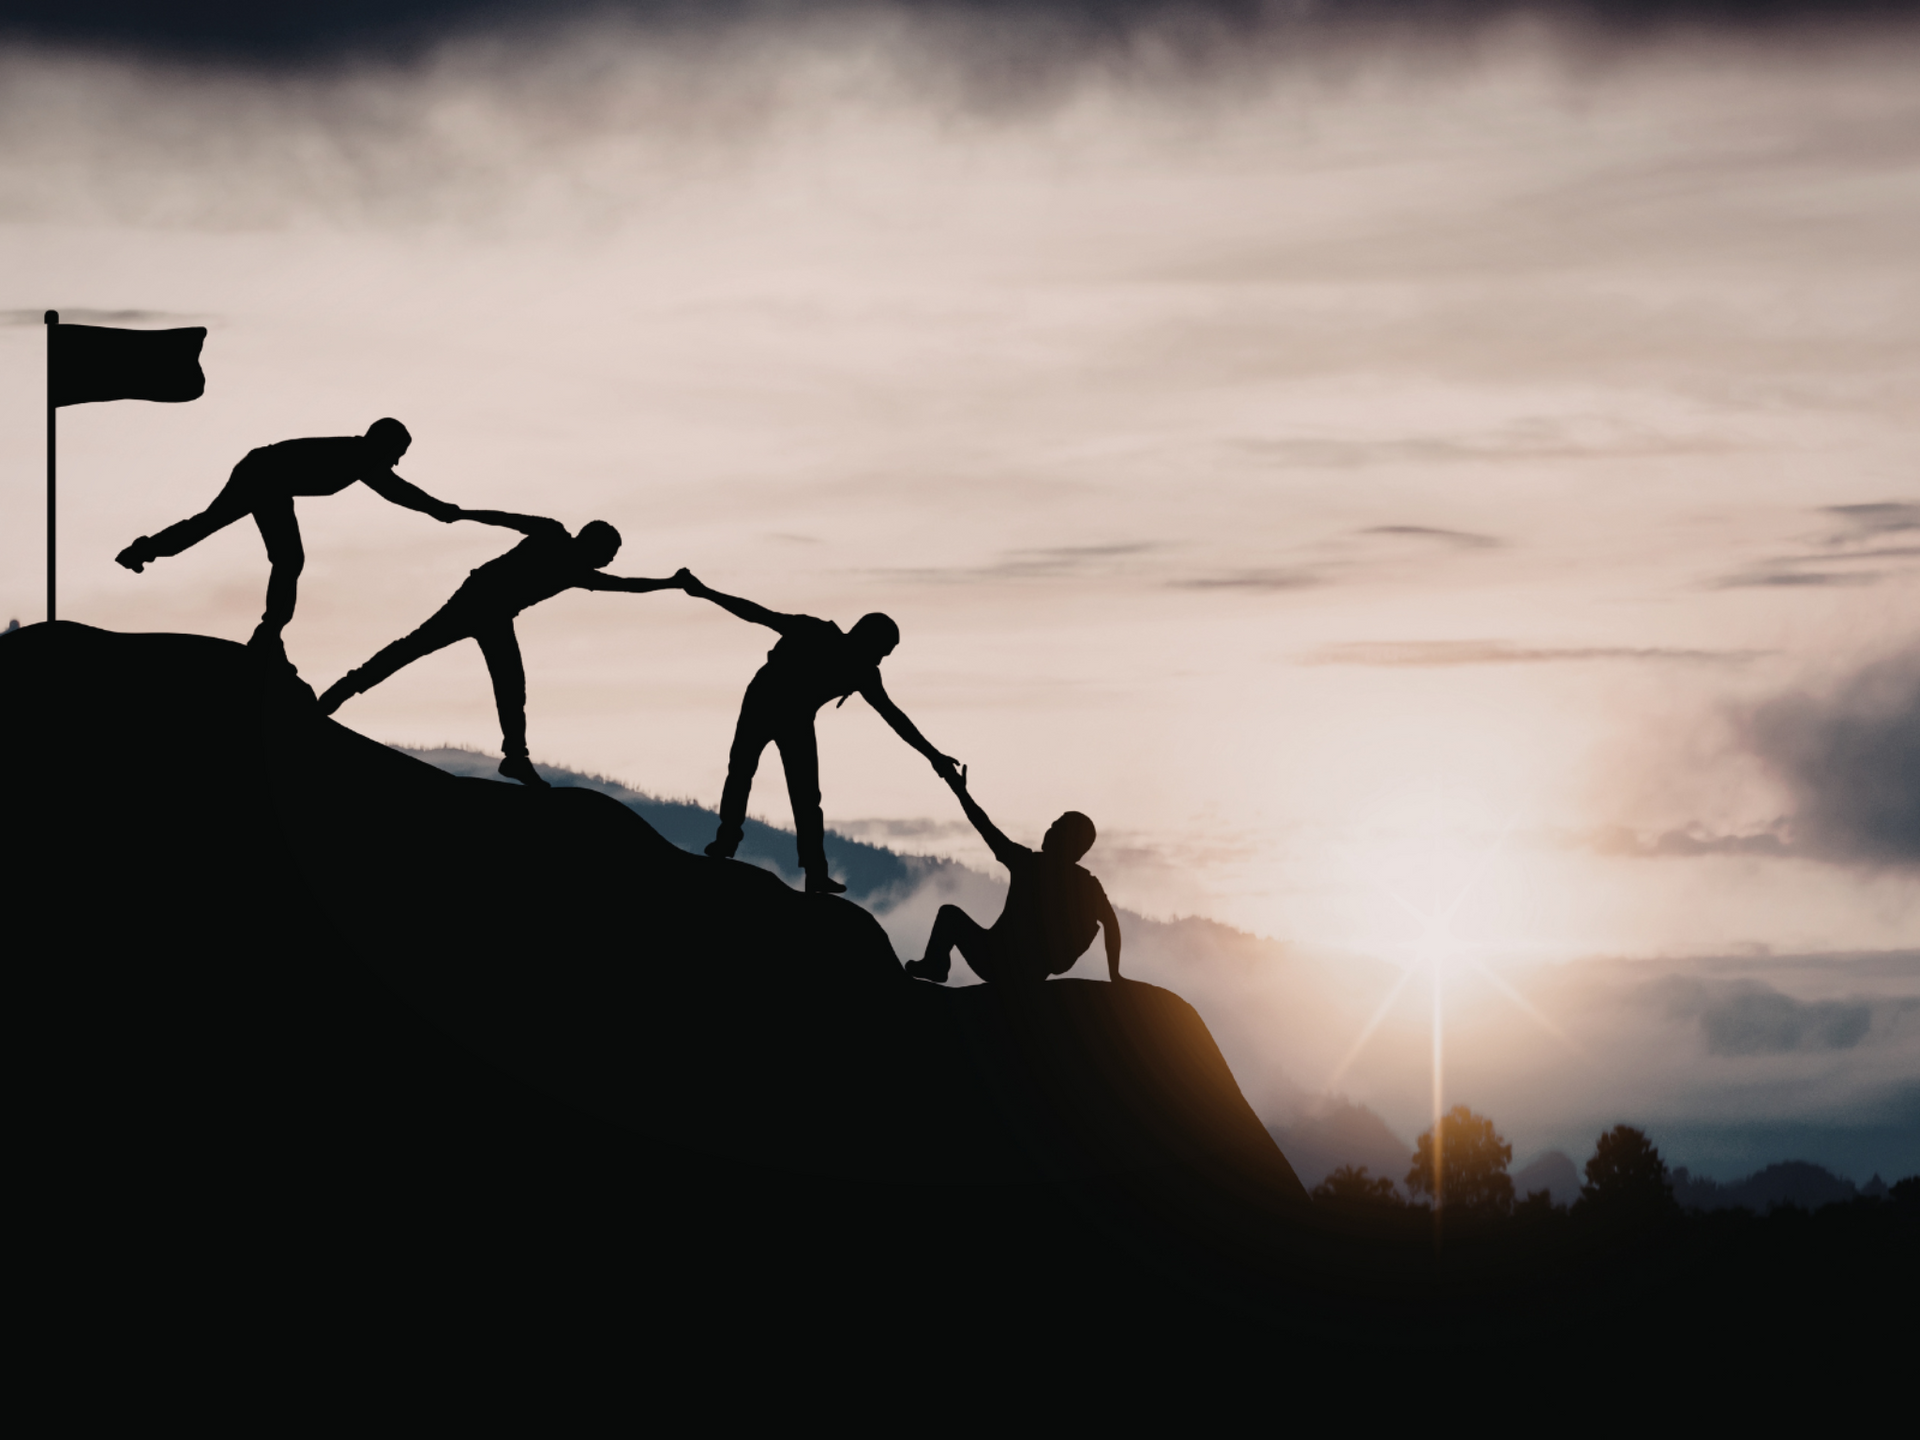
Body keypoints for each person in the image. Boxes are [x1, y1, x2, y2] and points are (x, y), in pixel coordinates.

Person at [318, 512, 689, 787]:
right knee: (415, 648)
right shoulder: (553, 535)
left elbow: (626, 585)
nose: (609, 561)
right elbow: (508, 519)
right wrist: (461, 513)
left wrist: (670, 583)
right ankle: (341, 691)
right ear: (593, 543)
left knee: (506, 681)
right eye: (609, 553)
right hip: (476, 600)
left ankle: (515, 758)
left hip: (494, 614)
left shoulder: (576, 570)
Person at [682, 574, 957, 895]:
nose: (881, 659)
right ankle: (726, 840)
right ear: (865, 638)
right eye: (881, 650)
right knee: (742, 768)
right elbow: (757, 614)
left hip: (797, 719)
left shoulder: (865, 673)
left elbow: (895, 718)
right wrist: (704, 592)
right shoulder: (814, 631)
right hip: (763, 700)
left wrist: (934, 757)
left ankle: (815, 873)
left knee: (807, 796)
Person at [114, 418, 460, 666]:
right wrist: (438, 509)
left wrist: (438, 509)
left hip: (271, 481)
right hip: (263, 475)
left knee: (273, 552)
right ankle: (268, 637)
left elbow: (395, 489)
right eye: (397, 453)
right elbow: (397, 490)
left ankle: (144, 551)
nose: (397, 461)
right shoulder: (360, 457)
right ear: (382, 445)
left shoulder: (360, 458)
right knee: (281, 556)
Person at [906, 766, 1121, 986]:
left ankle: (936, 966)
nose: (1050, 830)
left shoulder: (1029, 863)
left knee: (949, 915)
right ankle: (935, 966)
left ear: (1071, 844)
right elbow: (1111, 924)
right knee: (950, 915)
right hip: (1034, 971)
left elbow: (985, 827)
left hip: (995, 960)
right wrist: (1115, 974)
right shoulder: (1088, 885)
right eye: (1053, 825)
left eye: (1058, 828)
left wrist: (961, 792)